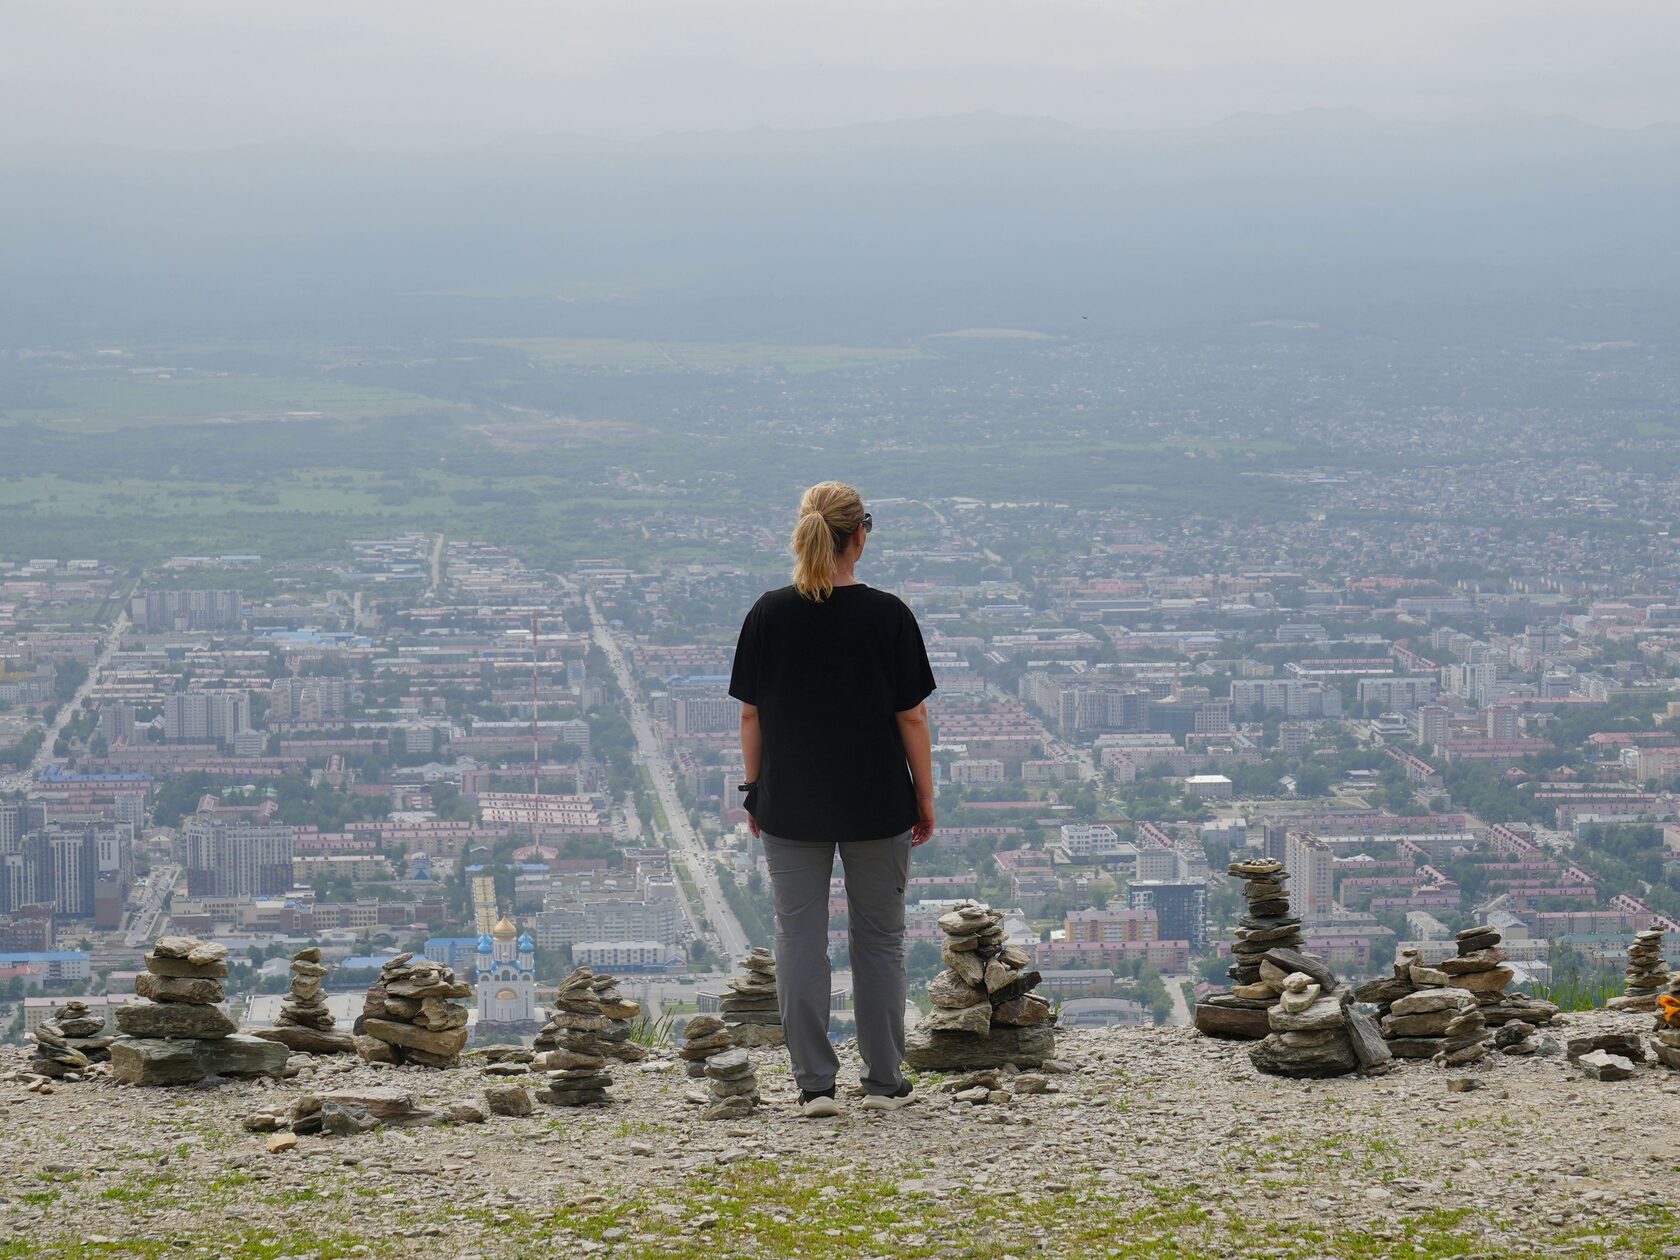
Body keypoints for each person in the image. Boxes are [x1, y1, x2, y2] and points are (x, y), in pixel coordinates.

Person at [728, 480, 937, 1117]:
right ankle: (882, 1080)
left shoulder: (769, 613)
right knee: (878, 943)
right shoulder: (889, 615)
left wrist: (756, 791)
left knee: (798, 939)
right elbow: (913, 720)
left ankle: (815, 1083)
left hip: (791, 804)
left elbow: (750, 718)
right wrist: (924, 799)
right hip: (877, 803)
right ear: (860, 536)